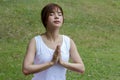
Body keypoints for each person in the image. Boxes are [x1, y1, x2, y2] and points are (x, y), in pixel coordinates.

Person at [22, 3, 85, 80]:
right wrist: (51, 63)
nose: (57, 17)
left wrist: (62, 63)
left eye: (60, 14)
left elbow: (81, 68)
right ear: (45, 19)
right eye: (52, 14)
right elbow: (26, 69)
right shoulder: (35, 42)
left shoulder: (68, 41)